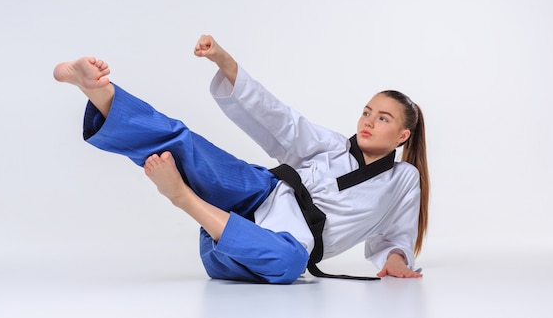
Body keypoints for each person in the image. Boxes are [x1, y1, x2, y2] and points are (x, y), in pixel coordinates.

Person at [53, 35, 430, 284]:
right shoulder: (333, 145)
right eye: (367, 112)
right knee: (184, 141)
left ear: (402, 136)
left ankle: (181, 196)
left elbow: (397, 230)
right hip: (256, 193)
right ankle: (97, 91)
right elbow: (281, 119)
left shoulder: (403, 178)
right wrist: (226, 63)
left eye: (383, 119)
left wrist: (396, 258)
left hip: (247, 247)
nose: (368, 122)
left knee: (290, 265)